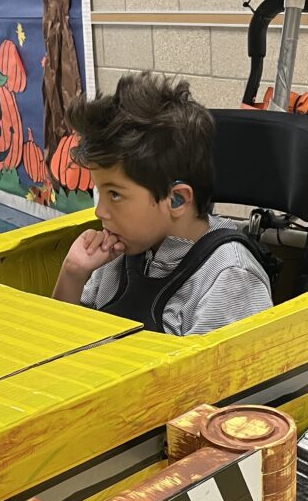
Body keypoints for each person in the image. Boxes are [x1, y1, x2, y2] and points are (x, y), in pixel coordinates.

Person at [52, 72, 274, 335]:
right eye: (99, 192)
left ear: (177, 199)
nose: (100, 212)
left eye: (115, 195)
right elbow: (63, 345)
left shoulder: (229, 278)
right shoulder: (118, 255)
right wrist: (73, 273)